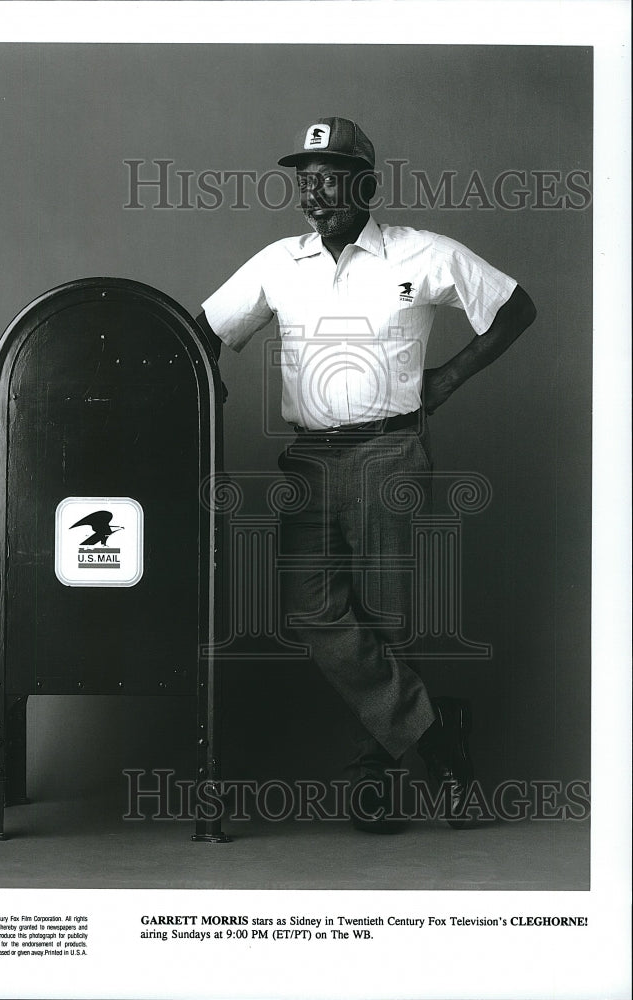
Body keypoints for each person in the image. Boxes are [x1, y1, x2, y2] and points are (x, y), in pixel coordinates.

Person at [196, 116, 536, 832]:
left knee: (386, 619)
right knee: (313, 611)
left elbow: (515, 307)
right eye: (304, 178)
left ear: (367, 184)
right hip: (310, 459)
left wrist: (446, 379)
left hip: (391, 452)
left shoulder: (422, 253)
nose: (315, 192)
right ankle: (437, 733)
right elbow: (201, 334)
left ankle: (372, 776)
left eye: (331, 176)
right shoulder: (276, 263)